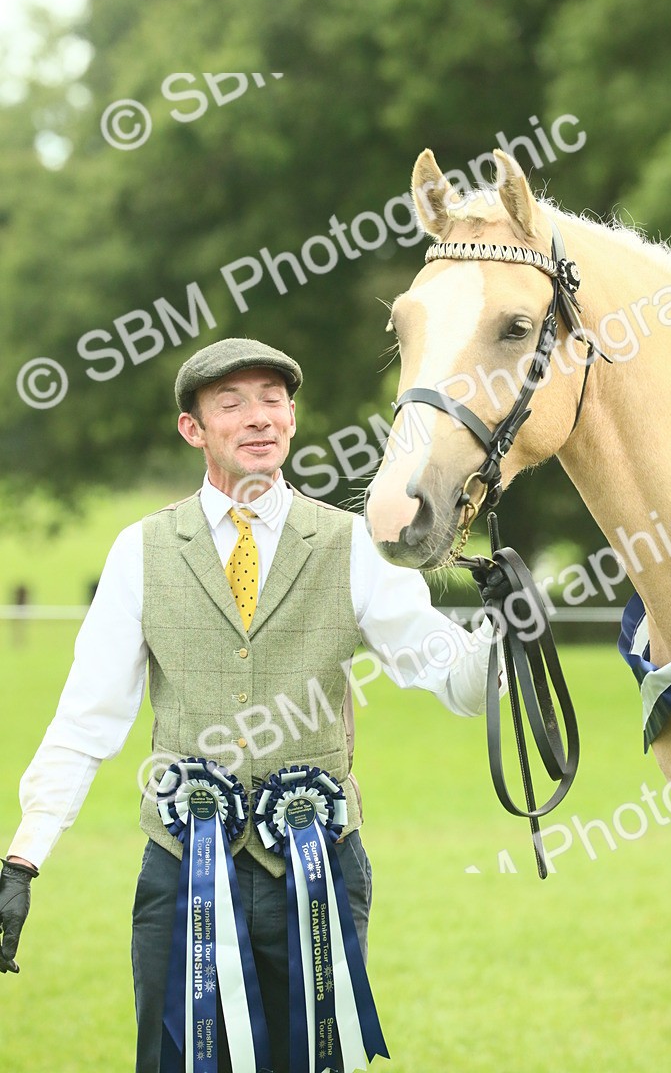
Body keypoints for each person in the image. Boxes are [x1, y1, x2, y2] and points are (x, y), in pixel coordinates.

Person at [0, 337, 497, 1073]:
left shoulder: (352, 544)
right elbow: (87, 717)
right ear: (193, 430)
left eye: (272, 400)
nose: (258, 417)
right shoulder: (140, 551)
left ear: (293, 421)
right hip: (180, 872)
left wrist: (501, 634)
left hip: (320, 868)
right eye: (231, 404)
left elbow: (449, 676)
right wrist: (23, 859)